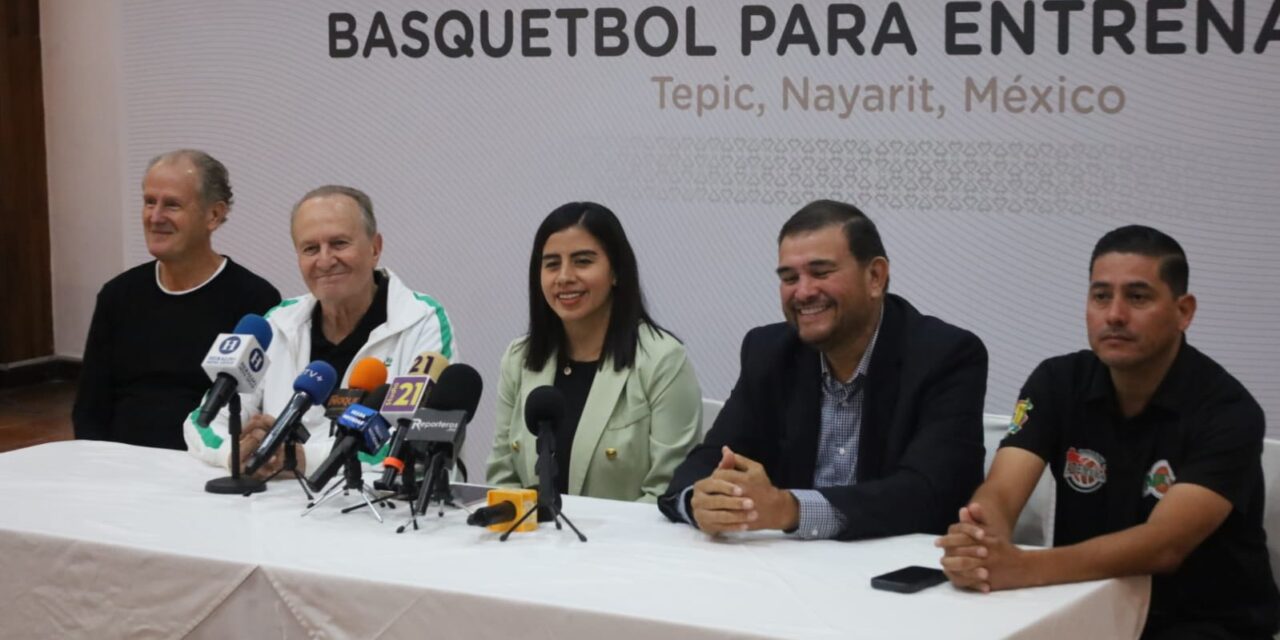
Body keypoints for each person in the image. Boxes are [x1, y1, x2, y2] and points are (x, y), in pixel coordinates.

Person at [937, 225, 1279, 638]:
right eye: (1101, 296)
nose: (1114, 315)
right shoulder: (1057, 381)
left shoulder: (1230, 412)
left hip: (1205, 624)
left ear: (1183, 311)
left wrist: (1023, 567)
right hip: (1086, 608)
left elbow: (1163, 545)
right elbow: (1003, 490)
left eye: (1137, 297)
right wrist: (980, 539)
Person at [659, 199, 988, 539]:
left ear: (875, 277)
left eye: (821, 272)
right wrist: (701, 501)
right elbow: (707, 461)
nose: (803, 292)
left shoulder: (946, 355)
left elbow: (930, 495)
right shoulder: (768, 351)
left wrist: (791, 509)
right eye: (789, 277)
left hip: (894, 567)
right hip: (788, 571)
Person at [183, 185, 456, 479]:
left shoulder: (421, 320)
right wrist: (237, 452)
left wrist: (299, 457)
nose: (325, 261)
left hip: (379, 515)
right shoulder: (277, 323)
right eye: (310, 249)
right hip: (274, 508)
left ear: (375, 248)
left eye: (339, 244)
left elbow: (415, 440)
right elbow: (204, 421)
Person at [486, 202, 702, 502]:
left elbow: (667, 494)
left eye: (582, 261)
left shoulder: (663, 359)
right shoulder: (518, 358)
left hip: (626, 546)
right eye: (551, 264)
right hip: (530, 543)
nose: (564, 277)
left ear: (616, 272)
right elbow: (502, 477)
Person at [73, 149, 280, 450]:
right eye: (149, 202)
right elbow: (90, 407)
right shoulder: (118, 295)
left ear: (214, 215)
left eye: (172, 205)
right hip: (119, 465)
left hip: (204, 467)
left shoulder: (254, 300)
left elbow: (257, 408)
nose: (155, 217)